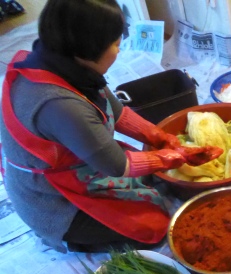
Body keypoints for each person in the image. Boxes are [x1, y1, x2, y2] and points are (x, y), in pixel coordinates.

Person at [0, 0, 217, 253]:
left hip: (84, 162)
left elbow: (116, 110)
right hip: (55, 200)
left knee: (153, 182)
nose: (119, 51)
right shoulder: (59, 104)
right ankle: (72, 238)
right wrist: (175, 157)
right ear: (87, 49)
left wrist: (156, 135)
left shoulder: (67, 64)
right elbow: (118, 165)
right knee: (152, 228)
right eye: (115, 44)